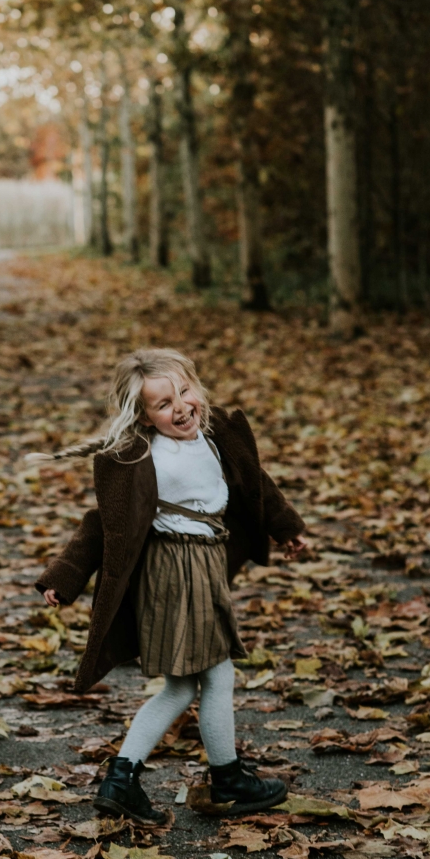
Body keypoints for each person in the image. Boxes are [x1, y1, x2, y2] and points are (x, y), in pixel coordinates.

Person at [35, 347, 307, 821]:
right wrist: (66, 575)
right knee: (214, 675)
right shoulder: (142, 458)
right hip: (175, 570)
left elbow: (253, 482)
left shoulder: (216, 434)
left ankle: (123, 780)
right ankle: (226, 781)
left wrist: (285, 527)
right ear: (143, 417)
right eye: (163, 404)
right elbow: (104, 523)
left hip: (202, 563)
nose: (180, 407)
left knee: (183, 686)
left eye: (184, 392)